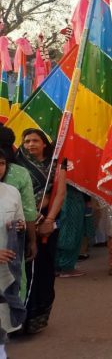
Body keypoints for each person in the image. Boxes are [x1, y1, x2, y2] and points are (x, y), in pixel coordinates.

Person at [15, 128, 67, 335]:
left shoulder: (57, 163)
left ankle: (38, 316)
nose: (30, 145)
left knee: (44, 270)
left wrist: (49, 219)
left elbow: (60, 193)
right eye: (26, 141)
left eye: (35, 140)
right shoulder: (17, 164)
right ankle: (19, 319)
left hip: (48, 222)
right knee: (25, 270)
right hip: (24, 222)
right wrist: (32, 218)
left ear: (44, 143)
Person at [0, 127, 37, 290]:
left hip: (11, 247)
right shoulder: (20, 173)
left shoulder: (13, 189)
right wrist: (32, 241)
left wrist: (21, 228)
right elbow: (30, 213)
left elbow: (24, 215)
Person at [0, 149, 26, 359]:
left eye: (1, 163)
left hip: (5, 269)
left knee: (2, 322)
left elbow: (20, 221)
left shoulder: (11, 192)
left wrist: (17, 226)